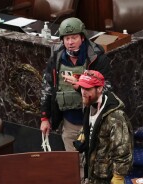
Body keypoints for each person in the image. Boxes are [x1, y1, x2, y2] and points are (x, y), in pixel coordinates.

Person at [74, 70, 135, 184]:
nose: (83, 92)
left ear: (100, 88)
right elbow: (92, 128)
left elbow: (123, 149)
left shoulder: (116, 117)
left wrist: (118, 176)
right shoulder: (90, 103)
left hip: (110, 179)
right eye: (82, 88)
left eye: (88, 89)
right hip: (92, 175)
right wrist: (85, 136)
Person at [40, 17, 112, 151]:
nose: (70, 42)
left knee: (94, 165)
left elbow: (106, 91)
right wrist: (45, 117)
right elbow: (48, 88)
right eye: (67, 39)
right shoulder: (56, 58)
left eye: (74, 38)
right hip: (70, 123)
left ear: (82, 38)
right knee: (74, 165)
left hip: (93, 122)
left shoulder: (97, 58)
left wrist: (80, 86)